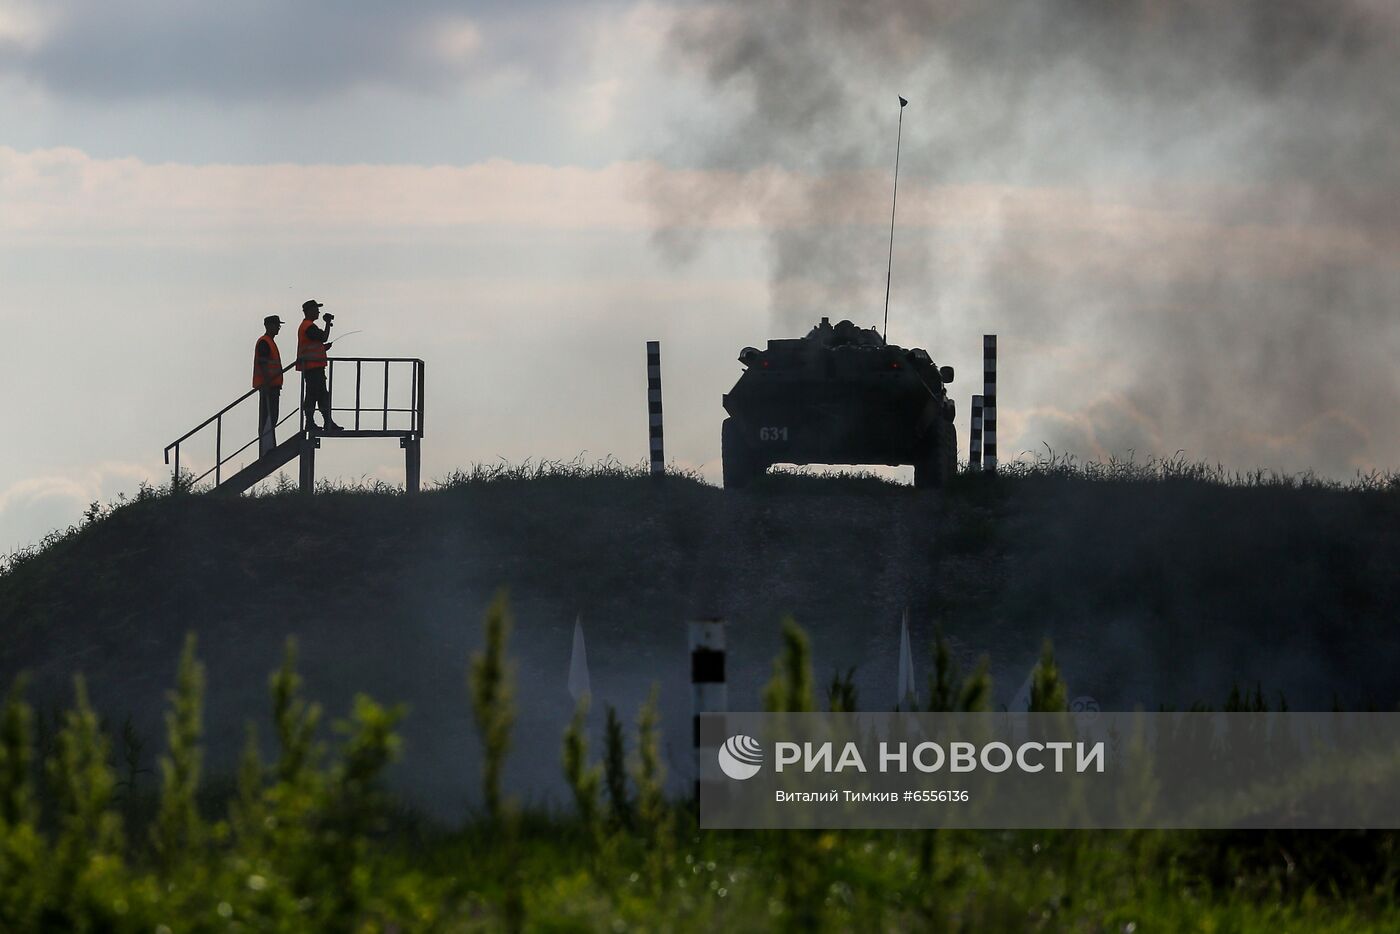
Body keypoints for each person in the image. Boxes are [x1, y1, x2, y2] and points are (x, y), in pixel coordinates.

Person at [296, 299, 342, 432]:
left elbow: (317, 342)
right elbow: (323, 337)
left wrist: (323, 348)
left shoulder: (307, 326)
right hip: (312, 368)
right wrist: (327, 323)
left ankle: (326, 422)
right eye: (316, 309)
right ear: (309, 311)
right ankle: (311, 423)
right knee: (314, 395)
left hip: (314, 367)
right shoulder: (308, 326)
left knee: (321, 395)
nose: (318, 311)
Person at [253, 315, 284, 455]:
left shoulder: (269, 342)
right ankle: (266, 449)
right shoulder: (265, 342)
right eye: (276, 324)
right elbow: (263, 363)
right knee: (267, 418)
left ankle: (269, 447)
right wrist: (266, 383)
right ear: (269, 325)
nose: (278, 327)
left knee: (272, 417)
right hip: (268, 387)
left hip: (272, 386)